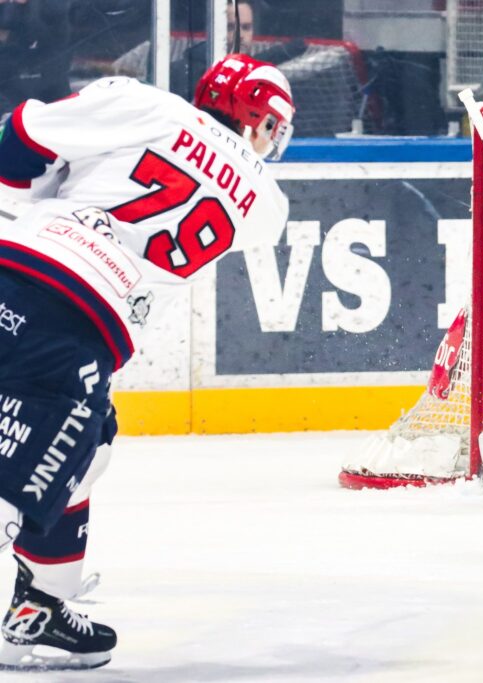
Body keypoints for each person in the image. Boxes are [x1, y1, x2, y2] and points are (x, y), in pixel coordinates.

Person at [0, 52, 294, 670]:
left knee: (89, 441)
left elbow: (21, 135)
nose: (272, 141)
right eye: (271, 126)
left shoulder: (144, 105)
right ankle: (41, 604)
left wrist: (29, 196)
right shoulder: (267, 205)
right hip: (79, 316)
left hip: (16, 267)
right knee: (58, 458)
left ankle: (41, 607)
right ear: (254, 118)